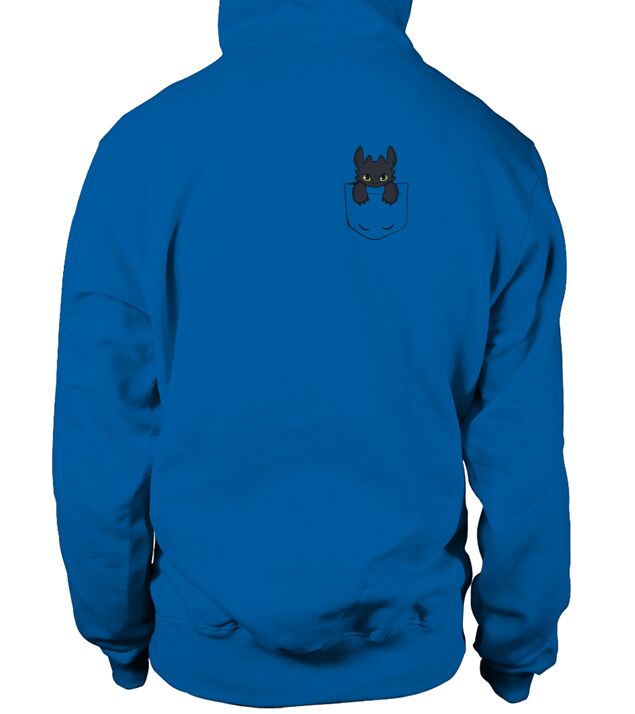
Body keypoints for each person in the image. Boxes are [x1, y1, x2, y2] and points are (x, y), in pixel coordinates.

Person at [52, 0, 570, 706]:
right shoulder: (494, 157)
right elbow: (522, 442)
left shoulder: (139, 153)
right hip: (414, 654)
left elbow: (102, 429)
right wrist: (516, 644)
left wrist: (116, 627)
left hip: (203, 648)